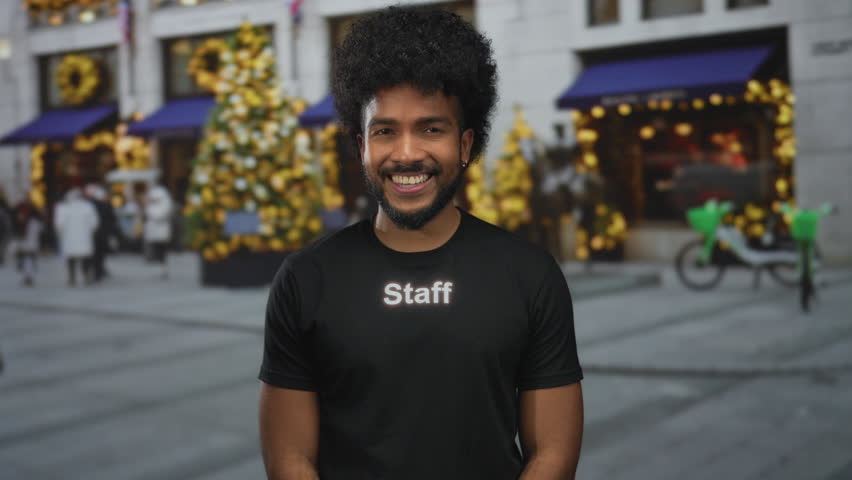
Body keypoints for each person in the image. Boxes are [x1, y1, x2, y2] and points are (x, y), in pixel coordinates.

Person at [258, 6, 583, 479]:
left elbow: (552, 455)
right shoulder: (306, 279)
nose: (407, 154)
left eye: (431, 128)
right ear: (361, 146)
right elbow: (290, 459)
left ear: (466, 145)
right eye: (385, 131)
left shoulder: (529, 275)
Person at [54, 187, 99, 286]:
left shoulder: (63, 208)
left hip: (69, 239)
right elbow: (94, 223)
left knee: (71, 259)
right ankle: (86, 276)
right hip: (84, 238)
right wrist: (90, 231)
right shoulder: (88, 207)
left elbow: (59, 224)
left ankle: (72, 277)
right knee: (85, 257)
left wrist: (60, 234)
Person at [85, 183, 120, 282]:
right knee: (99, 254)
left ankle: (93, 271)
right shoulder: (105, 206)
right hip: (102, 233)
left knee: (94, 253)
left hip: (95, 232)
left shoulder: (90, 205)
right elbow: (112, 219)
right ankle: (98, 272)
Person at [140, 183, 173, 279]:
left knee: (161, 250)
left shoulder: (165, 203)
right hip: (153, 231)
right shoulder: (153, 204)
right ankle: (158, 268)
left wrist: (147, 207)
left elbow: (158, 216)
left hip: (161, 232)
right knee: (155, 250)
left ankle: (163, 269)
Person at [12, 199, 43, 286]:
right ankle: (28, 277)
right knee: (28, 260)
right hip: (31, 243)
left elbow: (23, 232)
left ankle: (28, 277)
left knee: (27, 260)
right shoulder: (36, 221)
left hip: (27, 243)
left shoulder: (29, 221)